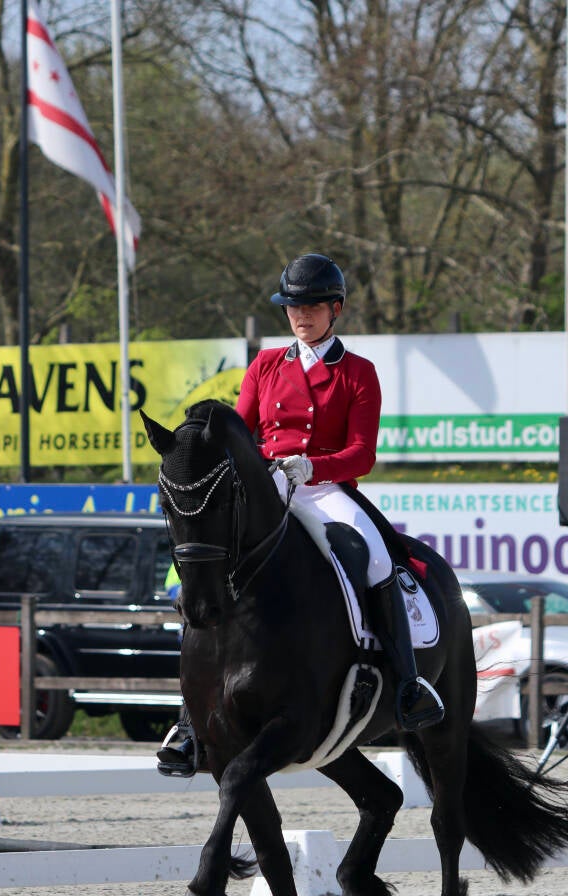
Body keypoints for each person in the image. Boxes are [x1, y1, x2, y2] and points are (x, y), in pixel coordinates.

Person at [157, 253, 443, 777]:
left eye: (311, 306)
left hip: (326, 487)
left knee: (374, 557)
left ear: (335, 309)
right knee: (206, 573)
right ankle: (189, 720)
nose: (300, 315)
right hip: (266, 488)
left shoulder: (358, 372)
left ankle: (408, 684)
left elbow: (362, 453)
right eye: (292, 306)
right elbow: (237, 435)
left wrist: (311, 466)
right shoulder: (266, 366)